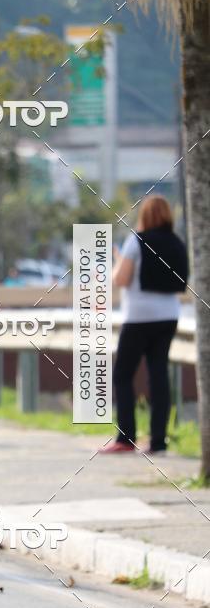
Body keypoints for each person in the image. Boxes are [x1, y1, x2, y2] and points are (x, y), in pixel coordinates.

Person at [102, 195, 188, 455]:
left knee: (123, 375)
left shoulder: (136, 241)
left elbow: (122, 280)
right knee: (158, 375)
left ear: (145, 216)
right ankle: (159, 442)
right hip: (168, 316)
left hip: (139, 317)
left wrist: (118, 262)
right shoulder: (177, 243)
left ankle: (126, 438)